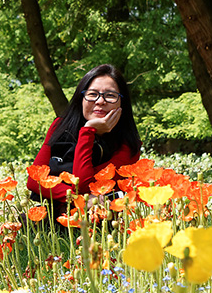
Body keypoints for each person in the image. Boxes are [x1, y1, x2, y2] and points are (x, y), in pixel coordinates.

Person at [27, 64, 141, 214]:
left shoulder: (128, 145)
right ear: (81, 98)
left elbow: (85, 185)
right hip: (49, 218)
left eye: (110, 96)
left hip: (97, 223)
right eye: (92, 94)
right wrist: (76, 198)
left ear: (122, 103)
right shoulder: (60, 126)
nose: (100, 101)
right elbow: (34, 180)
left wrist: (88, 132)